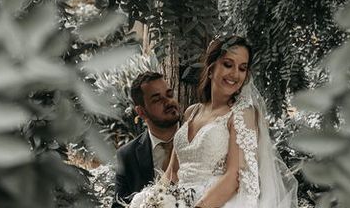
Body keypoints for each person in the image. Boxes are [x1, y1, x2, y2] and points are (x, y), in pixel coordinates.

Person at [130, 35, 298, 208]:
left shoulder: (243, 114)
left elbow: (234, 177)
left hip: (215, 202)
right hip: (178, 201)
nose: (235, 74)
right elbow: (173, 171)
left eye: (242, 68)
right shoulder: (191, 112)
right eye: (228, 64)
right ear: (211, 69)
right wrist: (153, 199)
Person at [113, 71, 180, 208]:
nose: (168, 102)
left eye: (169, 94)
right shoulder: (127, 156)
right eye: (157, 99)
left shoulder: (198, 135)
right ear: (141, 112)